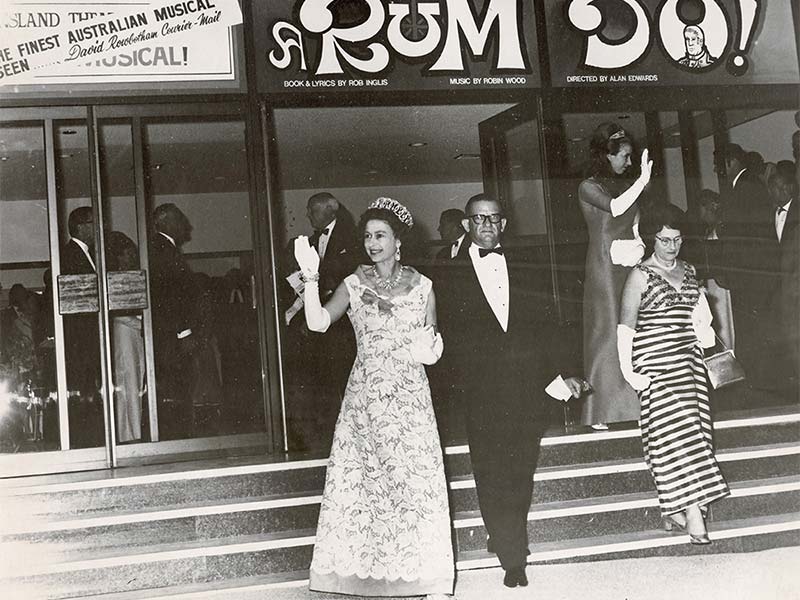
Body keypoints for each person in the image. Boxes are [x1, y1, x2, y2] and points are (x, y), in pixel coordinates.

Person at [295, 197, 453, 599]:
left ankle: (427, 577)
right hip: (365, 396)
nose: (372, 243)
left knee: (414, 483)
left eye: (380, 235)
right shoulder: (353, 282)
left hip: (410, 397)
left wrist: (429, 345)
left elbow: (431, 347)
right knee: (364, 484)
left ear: (399, 241)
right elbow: (317, 323)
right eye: (367, 236)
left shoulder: (424, 287)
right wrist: (311, 280)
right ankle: (363, 576)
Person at [438, 193, 587, 588]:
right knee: (490, 469)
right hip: (480, 390)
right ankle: (512, 556)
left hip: (526, 386)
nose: (486, 225)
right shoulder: (446, 273)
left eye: (493, 219)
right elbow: (445, 336)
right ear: (467, 226)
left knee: (521, 467)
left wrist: (565, 372)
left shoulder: (527, 267)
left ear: (504, 224)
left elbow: (548, 326)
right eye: (478, 219)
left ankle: (505, 535)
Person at [619, 203, 729, 544]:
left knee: (694, 434)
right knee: (672, 437)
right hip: (655, 367)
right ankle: (693, 513)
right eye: (665, 240)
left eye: (677, 239)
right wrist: (629, 372)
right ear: (652, 239)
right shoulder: (639, 275)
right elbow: (625, 328)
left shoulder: (691, 270)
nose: (671, 247)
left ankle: (674, 508)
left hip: (690, 363)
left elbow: (699, 320)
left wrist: (704, 324)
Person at [578, 122, 653, 429]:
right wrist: (643, 180)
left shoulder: (624, 186)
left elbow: (633, 226)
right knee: (607, 329)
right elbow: (616, 208)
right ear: (605, 156)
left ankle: (632, 407)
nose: (630, 162)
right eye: (624, 156)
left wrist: (639, 246)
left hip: (626, 265)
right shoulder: (588, 186)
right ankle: (600, 410)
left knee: (631, 328)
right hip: (603, 268)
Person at [717, 143, 780, 392]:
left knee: (753, 327)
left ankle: (758, 382)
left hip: (750, 274)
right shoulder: (749, 185)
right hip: (754, 273)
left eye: (719, 164)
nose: (717, 169)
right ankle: (759, 379)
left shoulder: (744, 187)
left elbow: (744, 237)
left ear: (731, 162)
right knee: (755, 327)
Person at [149, 203, 200, 439]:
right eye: (180, 219)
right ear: (165, 222)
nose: (185, 225)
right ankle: (177, 439)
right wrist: (184, 333)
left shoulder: (162, 249)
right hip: (172, 337)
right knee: (176, 388)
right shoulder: (163, 250)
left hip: (168, 336)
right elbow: (172, 298)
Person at [105, 231, 145, 443]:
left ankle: (134, 432)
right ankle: (130, 434)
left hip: (133, 333)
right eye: (128, 253)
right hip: (124, 334)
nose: (132, 257)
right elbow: (117, 313)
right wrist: (142, 324)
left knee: (135, 382)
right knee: (127, 383)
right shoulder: (115, 279)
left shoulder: (131, 277)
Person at [767, 166, 799, 398]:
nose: (775, 192)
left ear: (789, 187)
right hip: (782, 289)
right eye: (772, 188)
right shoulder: (771, 213)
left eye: (779, 187)